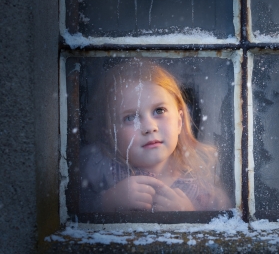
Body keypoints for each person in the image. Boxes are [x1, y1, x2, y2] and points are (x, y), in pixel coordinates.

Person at [80, 59, 231, 213]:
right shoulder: (97, 169)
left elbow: (222, 230)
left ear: (179, 121)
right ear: (110, 133)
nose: (149, 127)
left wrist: (188, 214)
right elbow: (65, 208)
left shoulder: (207, 195)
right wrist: (107, 201)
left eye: (159, 111)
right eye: (130, 118)